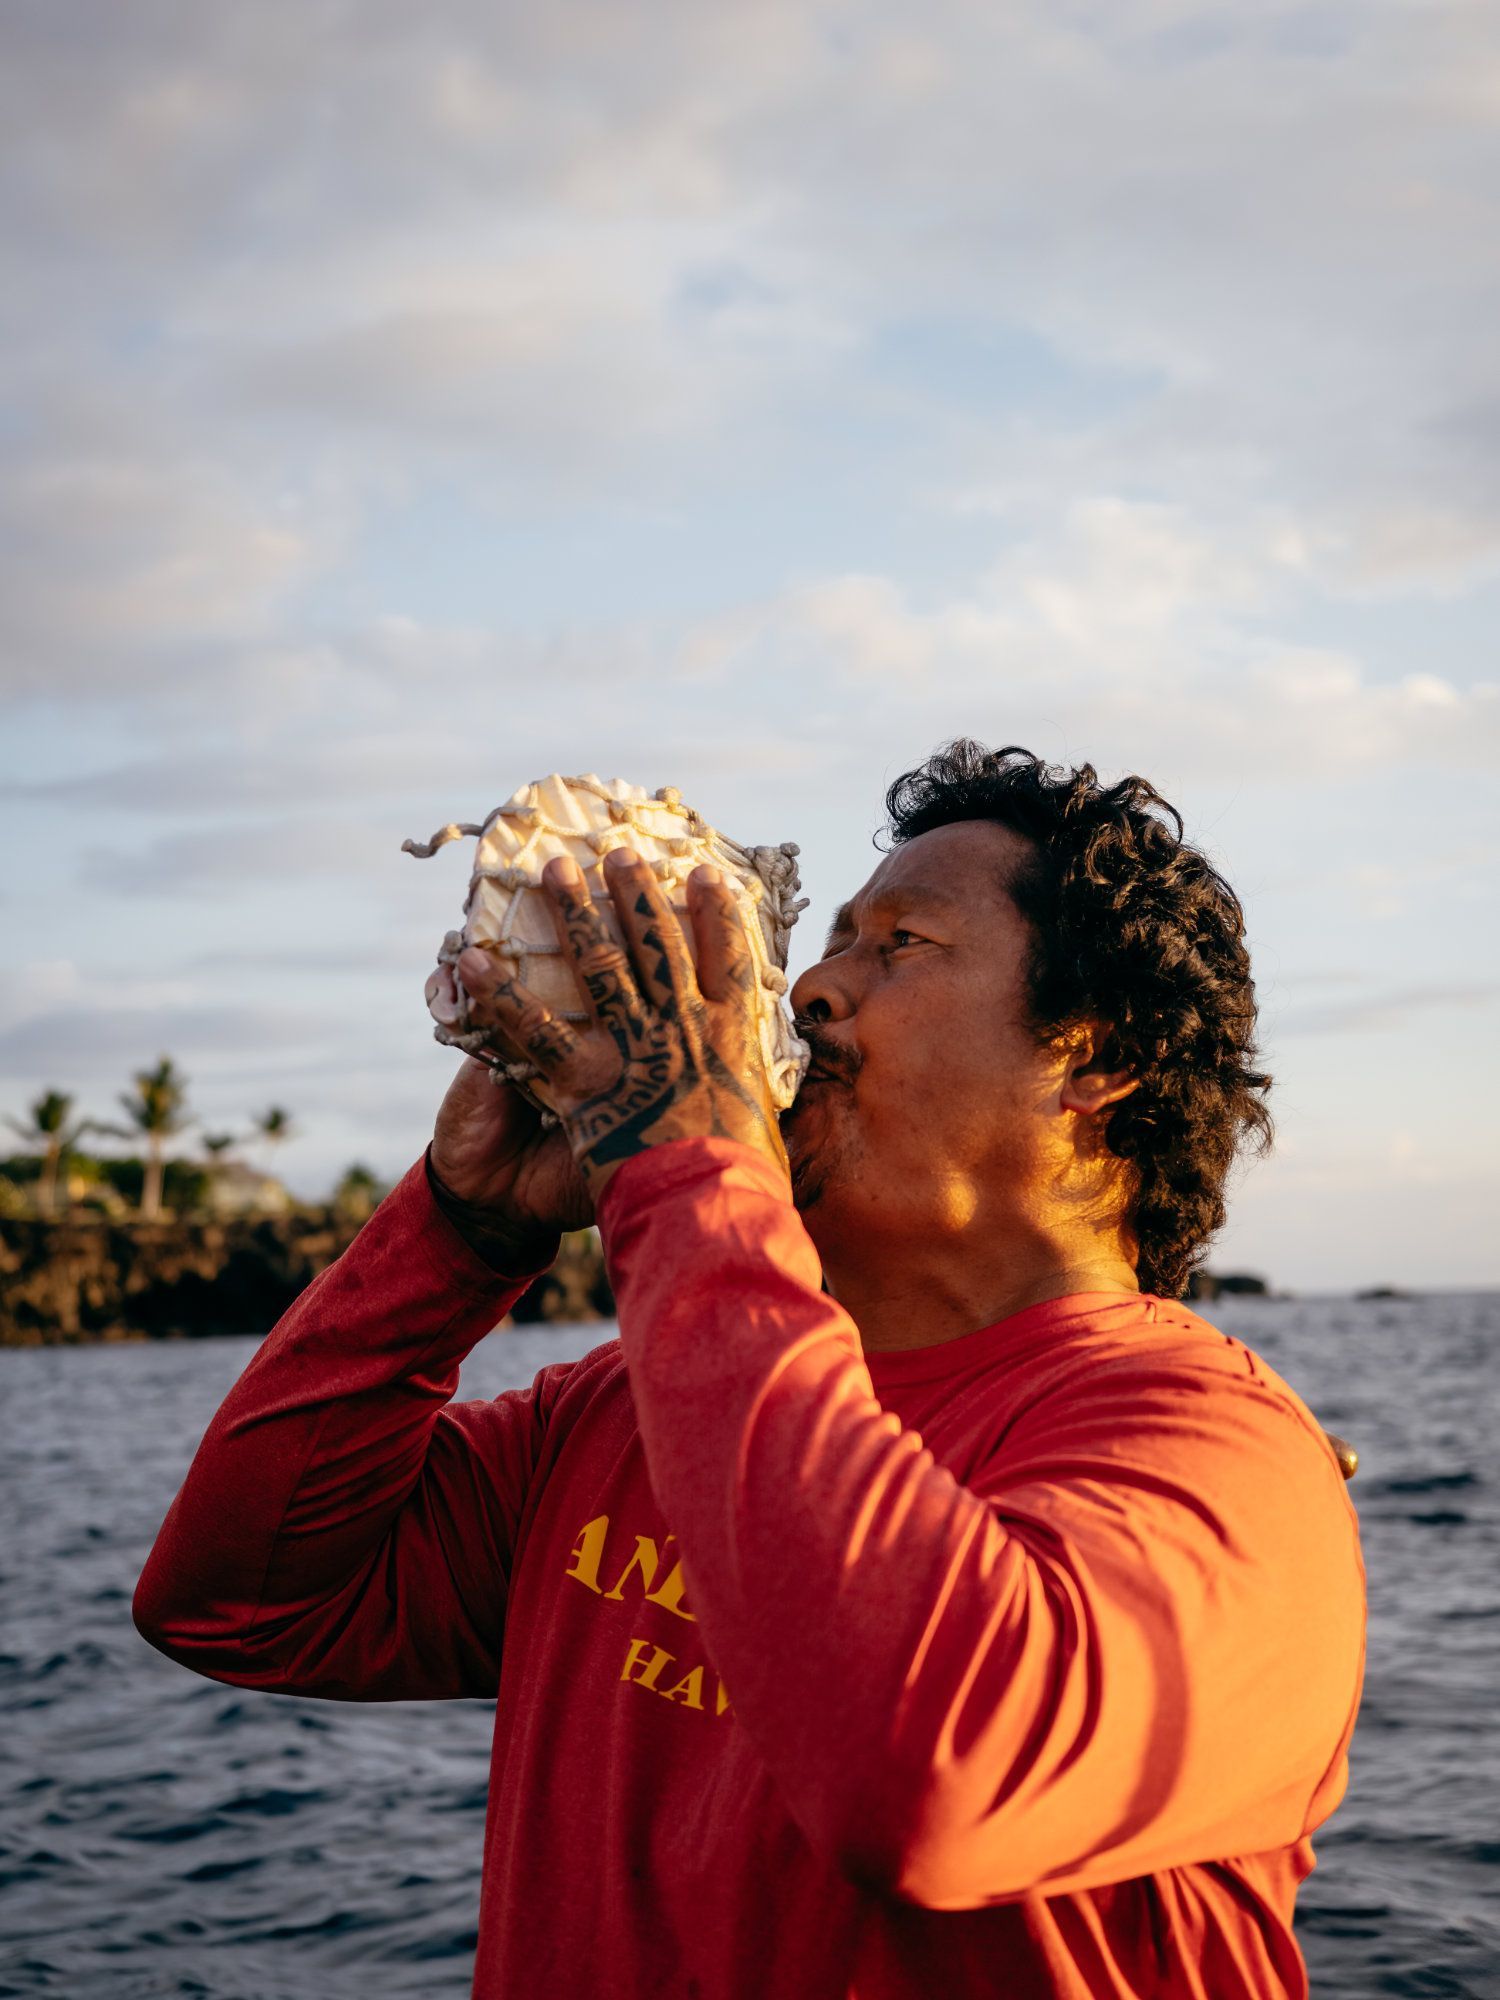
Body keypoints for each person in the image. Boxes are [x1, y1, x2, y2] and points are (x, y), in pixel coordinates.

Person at [134, 741, 1366, 1999]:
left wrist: (680, 1161)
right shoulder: (625, 1407)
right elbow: (241, 1602)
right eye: (830, 939)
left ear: (1099, 1059)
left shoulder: (1224, 1458)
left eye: (900, 944)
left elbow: (923, 1775)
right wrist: (461, 1228)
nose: (814, 985)